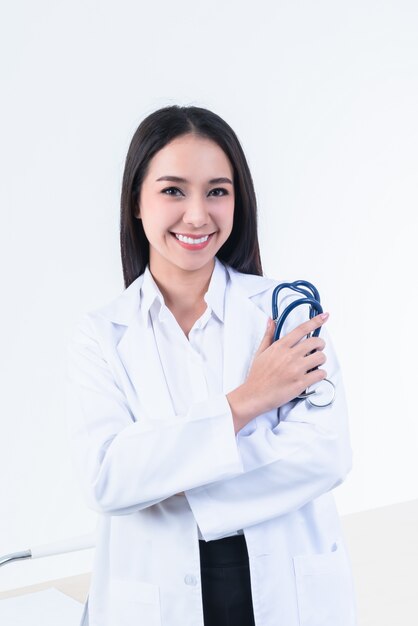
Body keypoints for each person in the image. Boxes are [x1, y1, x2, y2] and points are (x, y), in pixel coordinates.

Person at [66, 105, 358, 626]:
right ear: (137, 201)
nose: (198, 215)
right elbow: (107, 478)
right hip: (156, 602)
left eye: (217, 191)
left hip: (284, 592)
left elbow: (325, 453)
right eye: (173, 190)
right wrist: (247, 402)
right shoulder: (103, 334)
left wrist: (168, 476)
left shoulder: (285, 312)